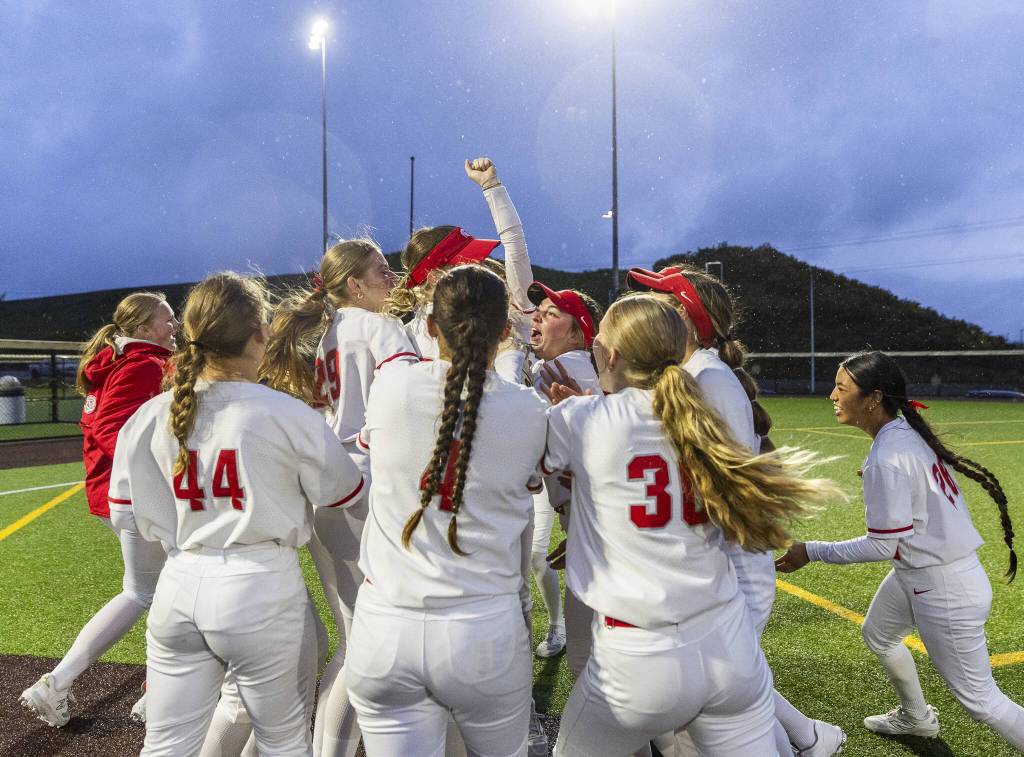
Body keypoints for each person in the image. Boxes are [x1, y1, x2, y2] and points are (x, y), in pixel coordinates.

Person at [545, 294, 840, 757]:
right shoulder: (700, 414)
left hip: (640, 655)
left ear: (614, 354)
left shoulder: (584, 418)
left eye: (599, 339)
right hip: (729, 640)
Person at [106, 272, 364, 756]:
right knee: (283, 742)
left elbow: (127, 517)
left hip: (179, 584)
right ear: (259, 333)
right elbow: (344, 493)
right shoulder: (285, 413)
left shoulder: (148, 416)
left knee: (165, 745)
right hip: (261, 582)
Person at [626, 265, 845, 757]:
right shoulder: (695, 373)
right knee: (729, 693)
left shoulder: (708, 378)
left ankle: (808, 741)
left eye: (660, 299)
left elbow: (722, 491)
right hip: (722, 564)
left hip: (732, 566)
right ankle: (811, 739)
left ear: (682, 313)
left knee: (718, 705)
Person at [346, 265, 548, 756]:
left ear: (431, 326)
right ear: (504, 330)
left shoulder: (391, 388)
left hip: (385, 629)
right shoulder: (530, 409)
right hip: (485, 632)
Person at [776, 351, 1024, 750]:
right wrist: (882, 477)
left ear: (873, 398)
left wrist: (811, 550)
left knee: (981, 700)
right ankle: (917, 718)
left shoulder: (889, 454)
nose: (832, 396)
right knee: (879, 634)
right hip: (929, 573)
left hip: (941, 585)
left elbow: (882, 545)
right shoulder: (903, 433)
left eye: (841, 388)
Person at [260, 238, 416, 757]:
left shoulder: (330, 331)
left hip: (327, 484)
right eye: (379, 269)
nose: (390, 276)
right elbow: (408, 405)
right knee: (367, 643)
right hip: (365, 486)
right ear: (353, 283)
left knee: (353, 638)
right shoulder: (378, 326)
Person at [20, 291, 177, 727]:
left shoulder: (117, 361)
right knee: (157, 593)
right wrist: (152, 468)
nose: (174, 325)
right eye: (167, 319)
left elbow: (100, 426)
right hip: (137, 496)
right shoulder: (144, 364)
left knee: (148, 591)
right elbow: (112, 428)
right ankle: (153, 692)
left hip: (118, 494)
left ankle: (63, 682)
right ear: (144, 328)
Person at [529, 283, 603, 668]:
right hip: (590, 518)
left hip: (595, 521)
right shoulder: (572, 367)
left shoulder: (562, 369)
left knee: (584, 655)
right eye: (538, 310)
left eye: (552, 313)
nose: (538, 316)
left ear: (578, 335)